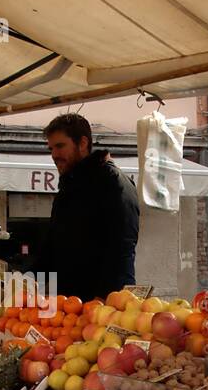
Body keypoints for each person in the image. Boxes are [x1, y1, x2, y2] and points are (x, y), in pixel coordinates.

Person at [42, 113, 139, 301]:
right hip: (66, 306)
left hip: (101, 306)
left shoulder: (114, 183)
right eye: (51, 148)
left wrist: (104, 298)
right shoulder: (68, 186)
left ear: (83, 143)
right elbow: (53, 245)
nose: (54, 155)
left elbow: (122, 249)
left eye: (60, 146)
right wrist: (23, 279)